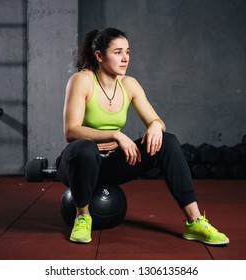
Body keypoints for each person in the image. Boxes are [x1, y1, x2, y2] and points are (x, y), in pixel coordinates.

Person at [56, 27, 229, 246]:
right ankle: (82, 216)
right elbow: (71, 131)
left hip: (112, 165)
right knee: (84, 148)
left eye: (128, 52)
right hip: (78, 164)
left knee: (169, 141)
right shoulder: (82, 80)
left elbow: (157, 121)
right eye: (118, 52)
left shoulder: (129, 84)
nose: (125, 58)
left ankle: (194, 222)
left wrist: (156, 126)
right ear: (99, 56)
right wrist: (115, 134)